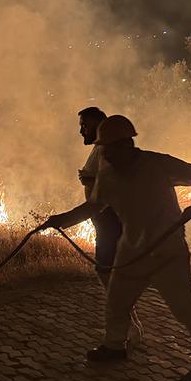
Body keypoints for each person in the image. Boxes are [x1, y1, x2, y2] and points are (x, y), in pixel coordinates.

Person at [42, 115, 191, 381]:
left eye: (109, 148)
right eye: (103, 148)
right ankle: (114, 346)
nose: (105, 153)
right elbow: (94, 206)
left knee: (185, 309)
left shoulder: (158, 164)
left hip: (166, 250)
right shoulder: (108, 173)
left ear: (127, 144)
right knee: (116, 302)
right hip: (131, 250)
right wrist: (60, 220)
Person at [77, 107, 143, 341]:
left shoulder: (107, 150)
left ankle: (126, 328)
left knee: (110, 273)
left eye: (85, 125)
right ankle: (129, 324)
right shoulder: (99, 149)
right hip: (104, 221)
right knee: (109, 273)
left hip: (110, 220)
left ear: (99, 125)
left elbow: (118, 179)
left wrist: (91, 179)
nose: (81, 130)